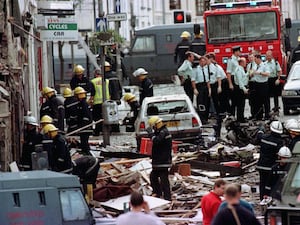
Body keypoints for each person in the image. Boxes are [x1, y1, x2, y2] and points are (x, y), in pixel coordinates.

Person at [256, 120, 284, 200]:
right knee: (271, 184)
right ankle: (271, 199)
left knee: (262, 184)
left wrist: (261, 128)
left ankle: (263, 200)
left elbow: (259, 136)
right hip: (271, 168)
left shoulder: (264, 138)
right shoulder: (279, 142)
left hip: (262, 166)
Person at [148, 116, 172, 201]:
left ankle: (167, 198)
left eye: (153, 126)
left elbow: (157, 141)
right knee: (153, 177)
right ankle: (158, 194)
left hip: (162, 161)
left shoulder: (163, 132)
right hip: (159, 160)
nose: (153, 128)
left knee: (163, 180)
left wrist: (151, 134)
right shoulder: (162, 131)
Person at [89, 69, 110, 136]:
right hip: (106, 102)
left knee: (97, 118)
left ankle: (97, 131)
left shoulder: (93, 81)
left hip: (97, 103)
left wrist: (90, 102)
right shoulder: (107, 81)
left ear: (95, 74)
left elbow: (93, 93)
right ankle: (107, 131)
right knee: (106, 117)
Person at [74, 86, 93, 155]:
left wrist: (82, 125)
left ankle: (87, 154)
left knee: (84, 141)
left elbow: (86, 116)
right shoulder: (82, 103)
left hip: (85, 127)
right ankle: (85, 152)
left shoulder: (83, 104)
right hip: (84, 126)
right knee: (83, 141)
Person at [192, 56, 210, 124]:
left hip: (205, 86)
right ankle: (201, 118)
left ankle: (206, 117)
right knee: (201, 103)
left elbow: (208, 80)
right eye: (201, 61)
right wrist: (195, 89)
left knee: (207, 102)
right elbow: (193, 80)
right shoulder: (196, 69)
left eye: (204, 61)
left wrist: (209, 89)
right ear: (199, 62)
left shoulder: (206, 69)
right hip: (199, 86)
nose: (203, 62)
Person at [251, 54, 270, 120]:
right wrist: (252, 74)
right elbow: (252, 73)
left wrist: (260, 73)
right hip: (256, 84)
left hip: (263, 84)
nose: (255, 61)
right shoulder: (255, 66)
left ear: (259, 59)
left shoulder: (264, 65)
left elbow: (267, 74)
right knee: (257, 101)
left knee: (265, 101)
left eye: (255, 59)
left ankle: (267, 115)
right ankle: (259, 115)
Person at [226, 46, 241, 115]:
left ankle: (239, 116)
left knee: (239, 100)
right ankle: (232, 115)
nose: (240, 52)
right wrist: (230, 84)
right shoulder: (231, 60)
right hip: (233, 79)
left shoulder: (239, 59)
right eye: (239, 51)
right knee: (234, 100)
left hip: (238, 79)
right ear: (235, 52)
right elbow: (228, 73)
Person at [233, 57, 248, 123]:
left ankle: (241, 117)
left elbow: (244, 77)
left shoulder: (241, 69)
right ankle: (240, 119)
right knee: (240, 104)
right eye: (244, 62)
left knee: (242, 104)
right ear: (241, 63)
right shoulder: (238, 69)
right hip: (239, 88)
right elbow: (240, 81)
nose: (246, 63)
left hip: (241, 87)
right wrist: (244, 89)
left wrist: (248, 73)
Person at [246, 53, 257, 119]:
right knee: (250, 100)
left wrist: (250, 74)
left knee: (255, 100)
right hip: (250, 83)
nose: (250, 59)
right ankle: (252, 114)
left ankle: (256, 114)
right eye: (249, 58)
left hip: (254, 82)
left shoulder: (256, 65)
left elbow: (251, 74)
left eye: (251, 57)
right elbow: (248, 75)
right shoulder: (248, 65)